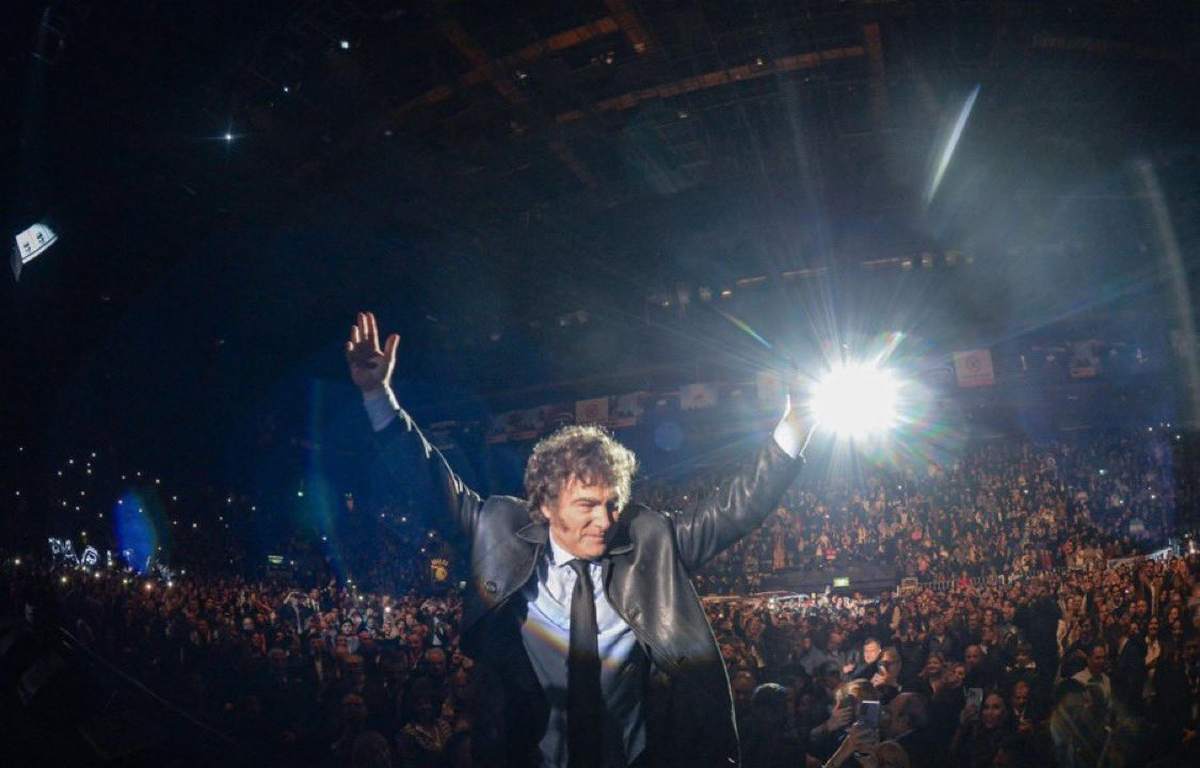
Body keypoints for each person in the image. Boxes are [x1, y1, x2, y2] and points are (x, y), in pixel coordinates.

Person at [346, 312, 811, 768]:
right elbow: (429, 483)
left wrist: (796, 426)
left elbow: (737, 508)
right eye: (586, 505)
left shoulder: (651, 539)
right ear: (545, 505)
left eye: (612, 503)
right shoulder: (498, 527)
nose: (604, 520)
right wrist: (378, 396)